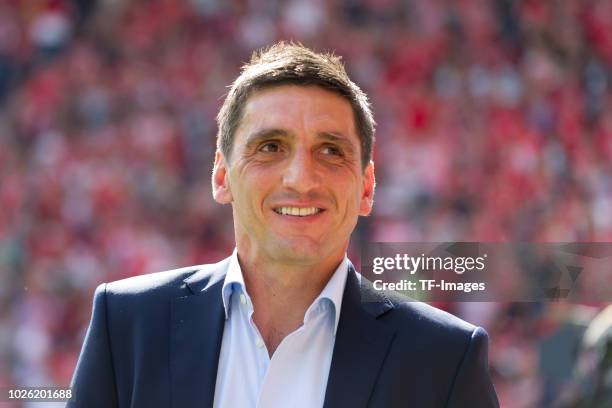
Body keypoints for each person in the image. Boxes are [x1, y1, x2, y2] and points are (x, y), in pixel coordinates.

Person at [67, 42, 499, 408]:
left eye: (330, 151)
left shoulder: (444, 358)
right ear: (222, 176)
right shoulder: (127, 323)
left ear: (367, 187)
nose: (301, 179)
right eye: (271, 147)